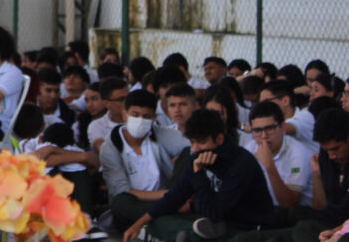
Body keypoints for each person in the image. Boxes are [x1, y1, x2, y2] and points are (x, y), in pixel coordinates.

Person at [123, 108, 274, 242]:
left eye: (201, 142)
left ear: (219, 139)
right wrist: (139, 223)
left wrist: (199, 172)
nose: (195, 149)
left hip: (245, 227)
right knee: (159, 219)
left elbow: (214, 213)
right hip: (211, 223)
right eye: (192, 142)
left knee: (199, 233)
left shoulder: (241, 164)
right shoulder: (197, 156)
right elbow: (176, 195)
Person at [98, 89, 175, 232]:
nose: (140, 120)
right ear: (124, 114)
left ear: (154, 118)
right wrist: (169, 195)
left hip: (163, 200)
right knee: (121, 202)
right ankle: (174, 218)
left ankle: (165, 221)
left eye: (146, 116)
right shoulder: (110, 147)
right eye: (135, 115)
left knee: (189, 154)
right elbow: (122, 191)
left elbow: (191, 145)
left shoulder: (161, 135)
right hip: (132, 207)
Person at [243, 100, 313, 225]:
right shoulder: (250, 148)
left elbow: (289, 204)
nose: (264, 136)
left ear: (283, 127)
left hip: (296, 218)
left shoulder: (298, 153)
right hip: (264, 213)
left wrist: (269, 166)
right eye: (257, 131)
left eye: (269, 128)